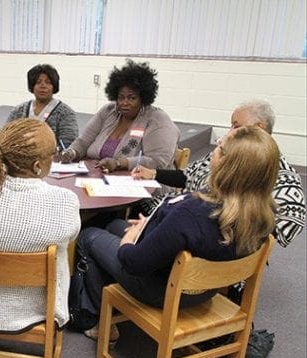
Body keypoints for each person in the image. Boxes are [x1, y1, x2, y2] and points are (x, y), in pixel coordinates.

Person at [72, 126, 279, 342]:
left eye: (219, 147)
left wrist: (128, 241)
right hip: (206, 289)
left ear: (228, 164)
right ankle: (108, 301)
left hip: (162, 290)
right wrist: (152, 225)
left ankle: (94, 321)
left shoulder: (192, 213)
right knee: (114, 223)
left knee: (89, 236)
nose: (214, 149)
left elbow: (133, 263)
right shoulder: (266, 215)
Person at [0, 118, 81, 332]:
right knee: (61, 253)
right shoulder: (64, 202)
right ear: (37, 165)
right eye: (52, 155)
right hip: (38, 308)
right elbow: (71, 237)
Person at [132, 100, 305, 249]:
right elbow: (189, 175)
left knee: (120, 227)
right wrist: (154, 173)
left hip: (201, 241)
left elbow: (286, 225)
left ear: (259, 128)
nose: (230, 131)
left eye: (236, 125)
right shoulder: (226, 151)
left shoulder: (283, 178)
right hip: (193, 227)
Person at [58, 60, 178, 173]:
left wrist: (120, 163)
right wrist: (71, 152)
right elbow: (84, 141)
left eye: (132, 98)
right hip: (101, 179)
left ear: (143, 98)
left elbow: (157, 162)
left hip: (144, 186)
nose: (125, 103)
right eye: (121, 97)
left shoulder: (157, 119)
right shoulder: (108, 111)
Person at [6, 64, 79, 148]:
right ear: (32, 86)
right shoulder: (18, 111)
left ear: (54, 86)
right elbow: (6, 138)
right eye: (38, 82)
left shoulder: (65, 113)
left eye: (48, 82)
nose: (43, 86)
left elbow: (68, 144)